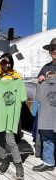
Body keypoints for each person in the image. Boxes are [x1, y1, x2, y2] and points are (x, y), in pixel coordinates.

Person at [0, 63, 27, 179]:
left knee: (10, 140)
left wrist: (17, 78)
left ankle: (18, 165)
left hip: (11, 118)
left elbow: (23, 98)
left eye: (7, 63)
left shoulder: (18, 82)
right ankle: (4, 160)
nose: (5, 66)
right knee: (0, 140)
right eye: (3, 63)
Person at [32, 38, 56, 172]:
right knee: (47, 136)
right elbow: (39, 87)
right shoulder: (45, 68)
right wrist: (41, 79)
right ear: (49, 51)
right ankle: (49, 162)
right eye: (52, 48)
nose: (54, 50)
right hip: (47, 108)